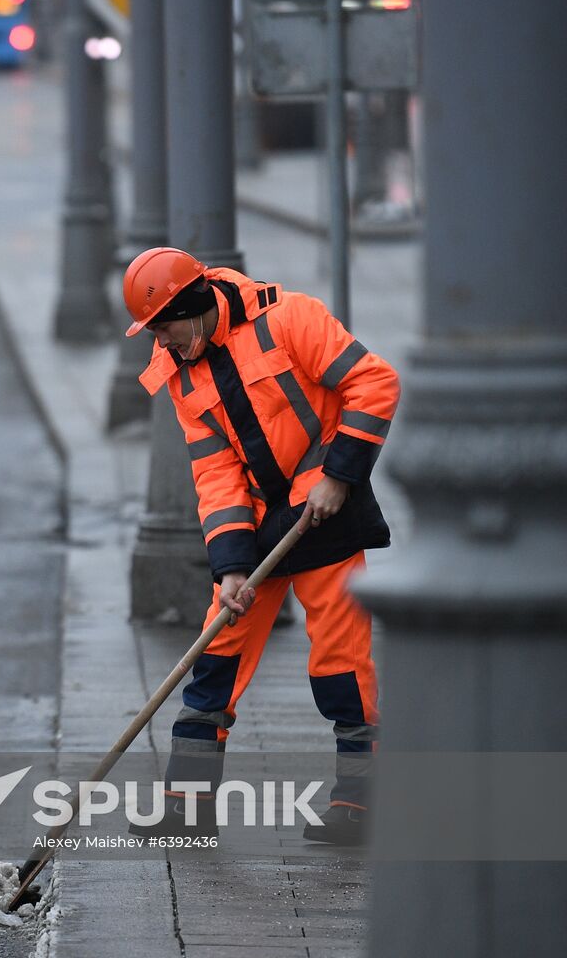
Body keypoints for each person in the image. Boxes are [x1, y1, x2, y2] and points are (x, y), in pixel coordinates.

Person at [122, 246, 400, 845]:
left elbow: (374, 382)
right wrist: (229, 567)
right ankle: (188, 807)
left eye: (165, 330)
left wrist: (339, 474)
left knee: (340, 661)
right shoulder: (180, 369)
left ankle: (360, 801)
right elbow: (215, 470)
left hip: (324, 515)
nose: (163, 345)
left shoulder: (289, 317)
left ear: (192, 306)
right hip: (257, 528)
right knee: (215, 654)